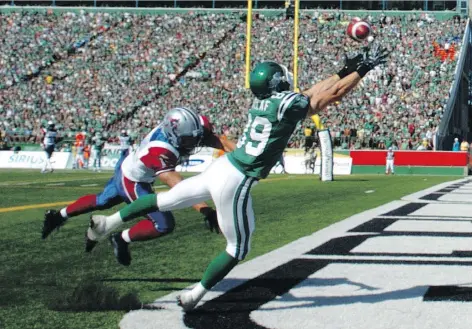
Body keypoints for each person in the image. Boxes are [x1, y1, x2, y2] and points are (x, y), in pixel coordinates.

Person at [87, 43, 389, 311]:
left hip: (222, 166)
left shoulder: (266, 103)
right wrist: (361, 71)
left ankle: (108, 222)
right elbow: (329, 96)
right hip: (237, 179)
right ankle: (195, 295)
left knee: (164, 200)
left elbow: (313, 92)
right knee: (237, 248)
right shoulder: (285, 105)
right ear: (276, 81)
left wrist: (342, 71)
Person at [42, 108, 235, 267]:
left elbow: (218, 140)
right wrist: (206, 210)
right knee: (163, 224)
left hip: (127, 165)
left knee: (102, 201)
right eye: (187, 140)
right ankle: (121, 238)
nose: (192, 143)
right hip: (134, 180)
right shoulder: (161, 149)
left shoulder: (183, 126)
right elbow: (178, 186)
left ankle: (58, 216)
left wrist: (247, 154)